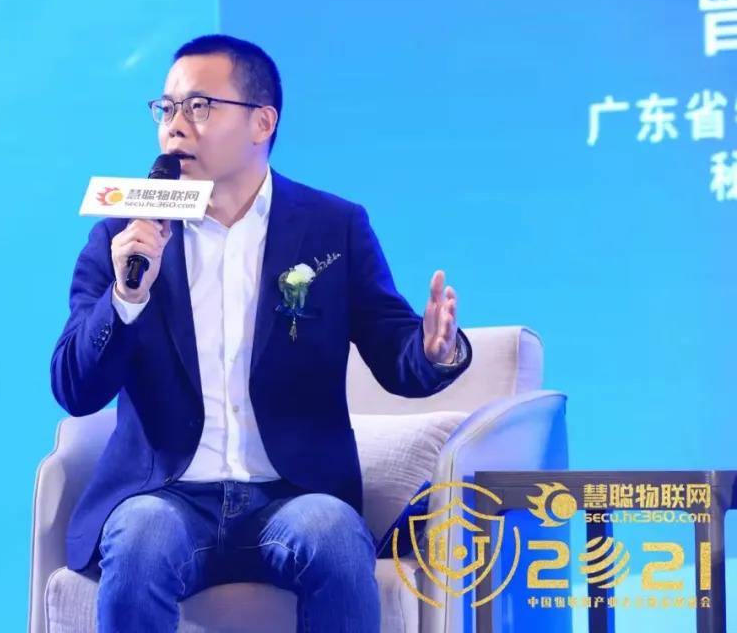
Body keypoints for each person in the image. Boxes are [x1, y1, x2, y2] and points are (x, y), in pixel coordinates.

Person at [50, 34, 472, 632]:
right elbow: (74, 389)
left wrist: (434, 350)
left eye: (199, 106)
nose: (175, 125)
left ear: (262, 122)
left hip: (290, 495)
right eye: (166, 108)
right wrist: (125, 299)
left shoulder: (331, 227)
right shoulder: (124, 234)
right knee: (141, 536)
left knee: (332, 532)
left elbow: (394, 351)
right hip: (166, 496)